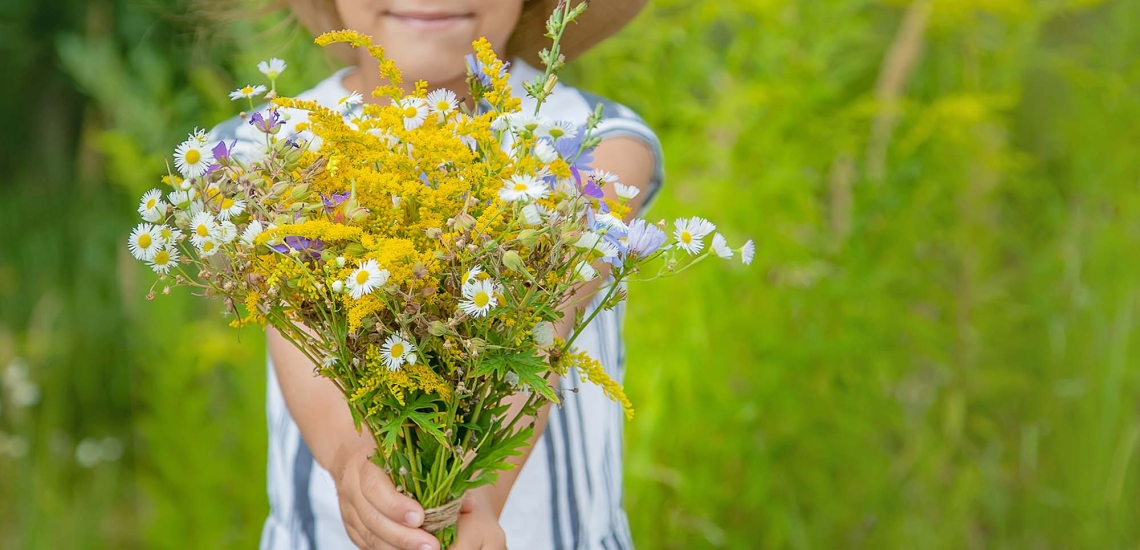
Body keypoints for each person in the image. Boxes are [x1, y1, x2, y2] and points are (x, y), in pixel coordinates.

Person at [208, 1, 664, 548]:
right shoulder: (265, 150)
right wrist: (354, 467)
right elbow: (301, 332)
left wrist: (475, 501)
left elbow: (545, 313)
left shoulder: (597, 141)